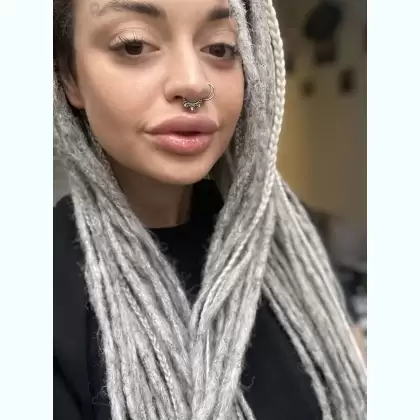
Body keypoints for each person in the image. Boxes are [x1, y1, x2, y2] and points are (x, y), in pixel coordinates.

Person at [53, 0, 367, 419]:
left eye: (221, 48)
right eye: (133, 45)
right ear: (70, 76)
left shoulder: (289, 246)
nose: (194, 83)